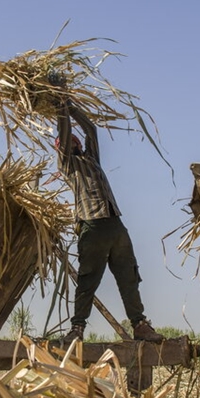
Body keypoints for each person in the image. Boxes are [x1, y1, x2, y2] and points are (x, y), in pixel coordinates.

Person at [55, 100, 163, 343]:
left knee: (129, 276)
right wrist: (59, 110)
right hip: (91, 226)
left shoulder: (92, 159)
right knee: (88, 280)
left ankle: (140, 325)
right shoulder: (67, 165)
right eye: (65, 141)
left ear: (79, 143)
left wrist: (71, 107)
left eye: (73, 140)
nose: (70, 141)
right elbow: (62, 132)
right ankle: (77, 329)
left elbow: (91, 129)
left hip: (115, 225)